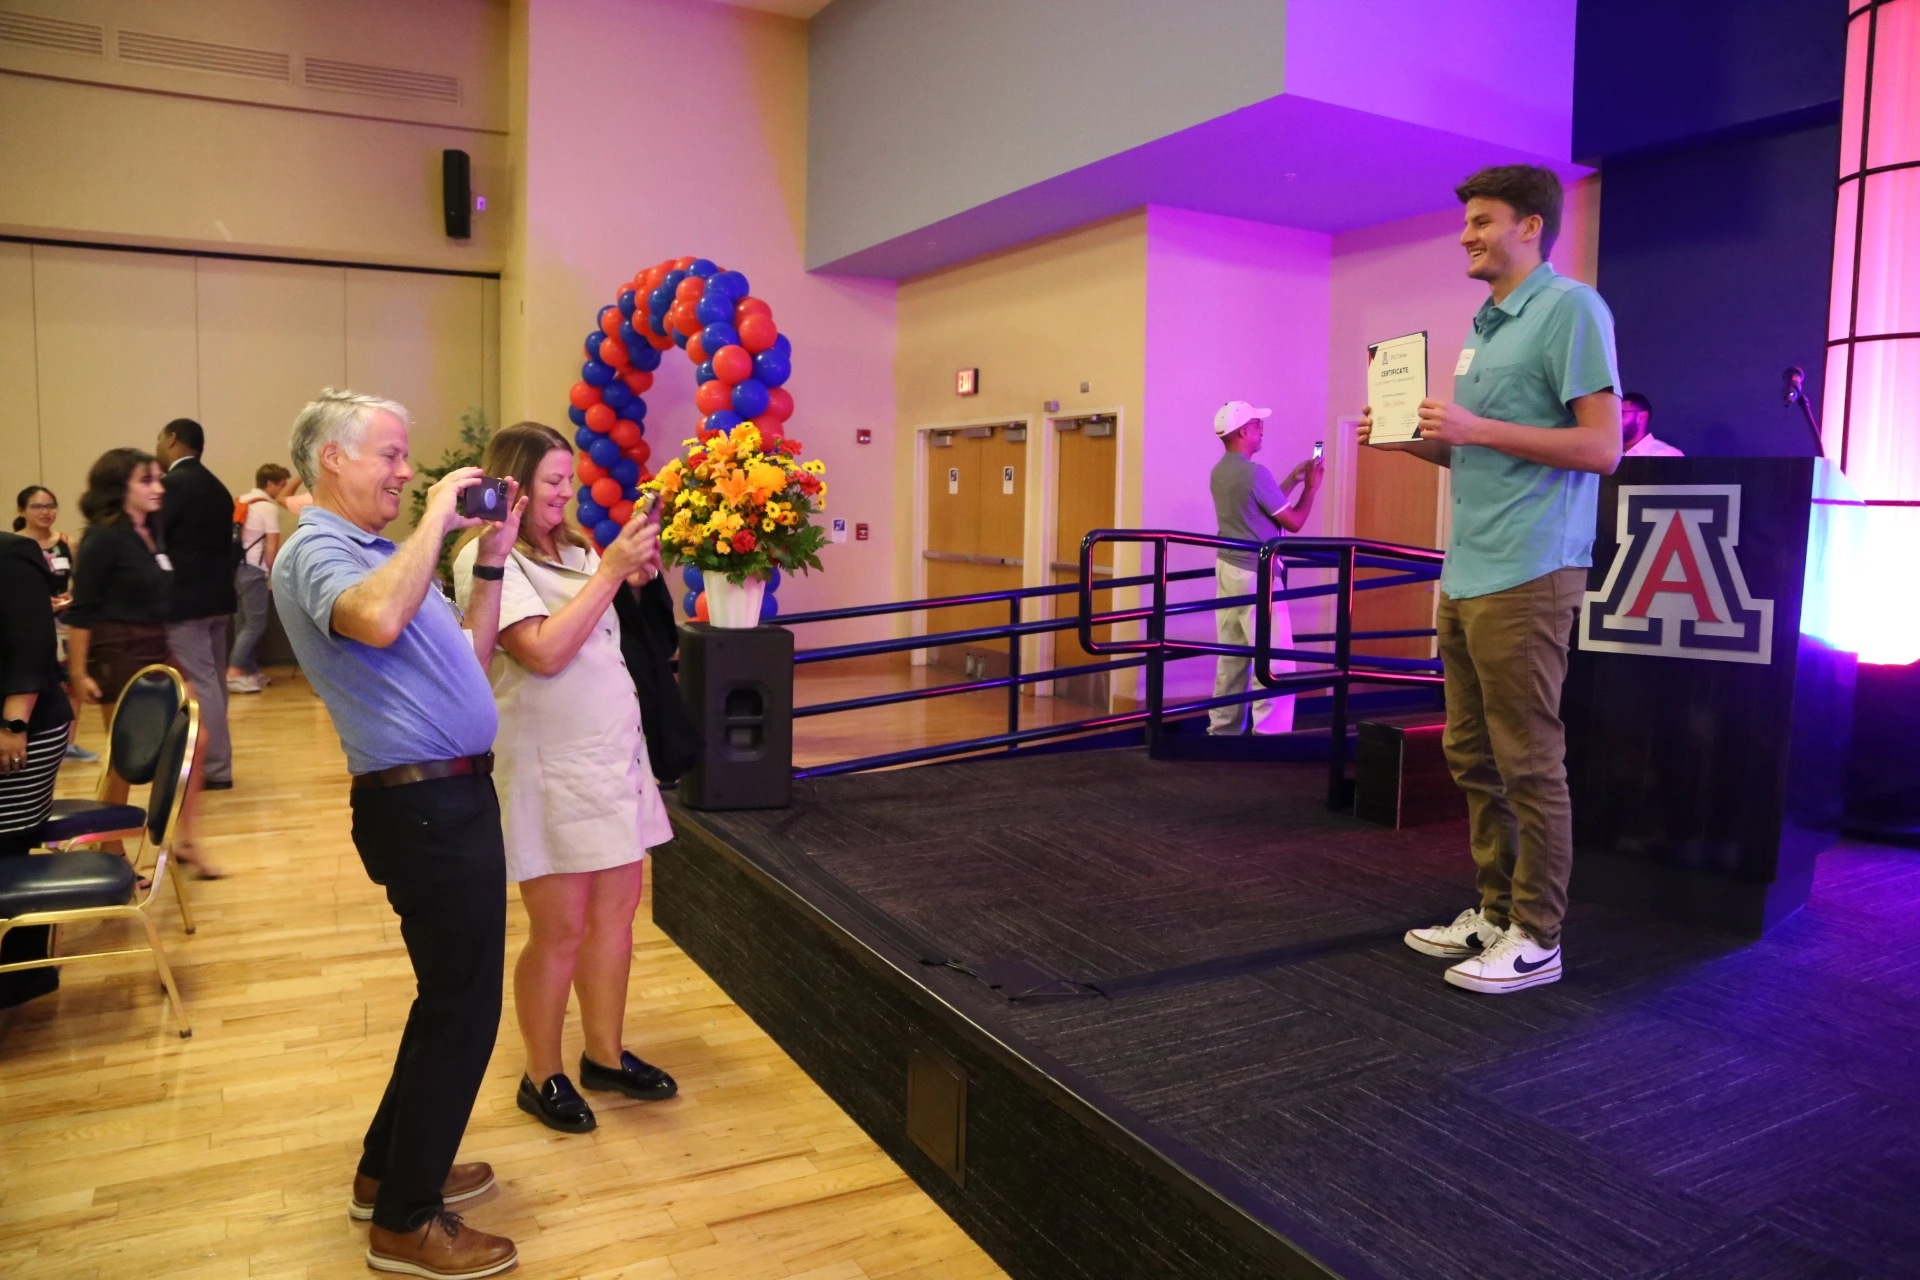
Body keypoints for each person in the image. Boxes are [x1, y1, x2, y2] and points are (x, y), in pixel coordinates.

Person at [273, 388, 520, 1279]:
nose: (409, 472)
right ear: (331, 458)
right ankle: (406, 1224)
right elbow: (375, 620)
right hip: (424, 810)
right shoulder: (317, 550)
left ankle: (390, 1172)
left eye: (410, 458)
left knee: (444, 1001)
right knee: (464, 1009)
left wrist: (486, 561)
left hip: (445, 800)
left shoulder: (376, 551)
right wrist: (440, 521)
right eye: (391, 454)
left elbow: (469, 652)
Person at [1360, 164, 1621, 996]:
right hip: (1468, 569)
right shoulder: (1483, 324)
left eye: (1482, 220)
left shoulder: (1571, 308)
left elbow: (1601, 448)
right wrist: (1414, 441)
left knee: (1528, 762)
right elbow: (1480, 447)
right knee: (1471, 753)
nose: (1466, 236)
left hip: (1531, 568)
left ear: (1531, 226)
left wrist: (1475, 424)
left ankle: (1539, 934)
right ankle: (1495, 908)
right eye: (1466, 223)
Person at [449, 424, 679, 1133]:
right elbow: (542, 654)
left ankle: (604, 1055)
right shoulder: (487, 559)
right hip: (550, 767)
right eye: (551, 481)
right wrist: (609, 574)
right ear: (512, 485)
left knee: (616, 920)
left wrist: (638, 576)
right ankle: (540, 1072)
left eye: (569, 480)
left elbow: (641, 643)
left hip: (615, 758)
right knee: (560, 930)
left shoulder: (578, 549)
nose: (565, 493)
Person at [1208, 401, 1323, 736]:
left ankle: (1222, 730)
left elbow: (1262, 508)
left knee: (1231, 656)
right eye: (1258, 424)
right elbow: (1295, 521)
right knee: (1275, 661)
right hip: (1256, 575)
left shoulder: (1221, 471)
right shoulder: (1255, 473)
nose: (1262, 429)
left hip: (1227, 568)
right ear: (1243, 431)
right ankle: (1270, 736)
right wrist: (1312, 488)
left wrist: (1292, 479)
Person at [0, 526, 74, 1018]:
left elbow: (31, 645)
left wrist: (12, 724)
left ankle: (24, 970)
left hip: (22, 726)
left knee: (8, 844)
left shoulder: (12, 555)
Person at [154, 419, 237, 790]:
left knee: (201, 684)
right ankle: (216, 762)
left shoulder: (172, 485)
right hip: (219, 597)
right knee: (214, 682)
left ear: (172, 439)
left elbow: (157, 541)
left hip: (186, 600)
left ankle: (214, 767)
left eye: (160, 437)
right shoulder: (218, 486)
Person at [14, 486, 95, 762]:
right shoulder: (13, 546)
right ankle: (31, 740)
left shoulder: (67, 543)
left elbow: (82, 583)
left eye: (50, 506)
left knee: (70, 682)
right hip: (27, 625)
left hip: (63, 623)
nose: (46, 512)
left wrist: (70, 598)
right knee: (34, 683)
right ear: (21, 511)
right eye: (38, 506)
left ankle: (68, 745)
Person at [227, 463, 293, 694]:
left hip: (235, 570)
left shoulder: (242, 500)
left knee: (243, 623)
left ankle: (252, 672)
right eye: (282, 485)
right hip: (254, 570)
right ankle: (234, 673)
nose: (283, 491)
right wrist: (269, 572)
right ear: (270, 484)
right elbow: (272, 545)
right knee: (256, 623)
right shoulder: (267, 507)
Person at [1621, 392, 1683, 457]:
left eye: (1620, 413)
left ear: (1642, 417)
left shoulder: (1667, 455)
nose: (1614, 420)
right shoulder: (1613, 455)